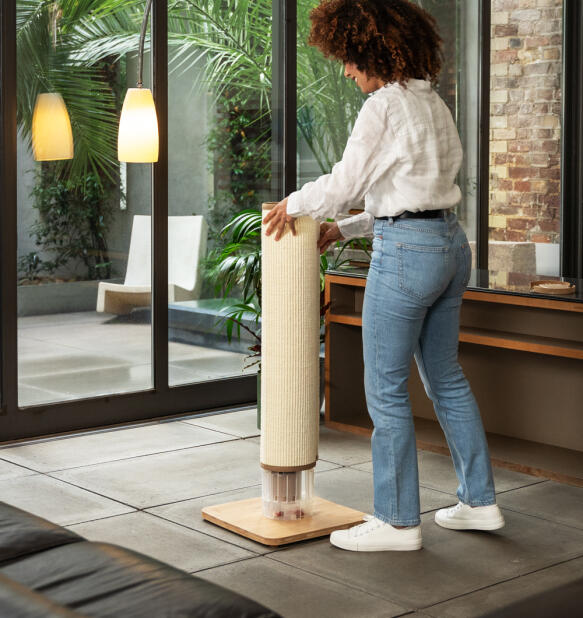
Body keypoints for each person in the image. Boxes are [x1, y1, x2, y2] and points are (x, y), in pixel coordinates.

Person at [263, 0, 504, 552]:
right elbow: (406, 195)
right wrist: (342, 231)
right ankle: (480, 501)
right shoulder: (433, 105)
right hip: (449, 247)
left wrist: (294, 206)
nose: (346, 70)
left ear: (371, 50)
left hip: (407, 256)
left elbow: (347, 181)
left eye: (349, 59)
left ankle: (398, 523)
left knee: (386, 389)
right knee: (445, 377)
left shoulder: (384, 107)